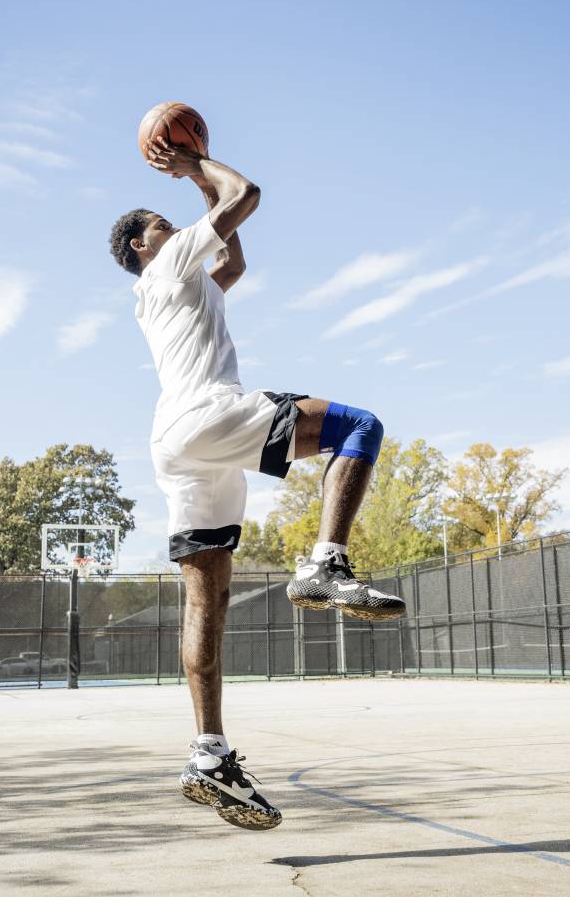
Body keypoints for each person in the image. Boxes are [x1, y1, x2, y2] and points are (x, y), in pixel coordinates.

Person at [108, 136, 405, 831]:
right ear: (141, 247)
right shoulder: (168, 264)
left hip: (177, 446)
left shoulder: (176, 285)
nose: (174, 228)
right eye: (160, 224)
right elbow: (249, 197)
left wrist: (198, 193)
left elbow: (233, 255)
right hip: (208, 414)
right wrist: (193, 165)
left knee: (206, 599)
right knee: (359, 426)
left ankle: (208, 753)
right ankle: (324, 565)